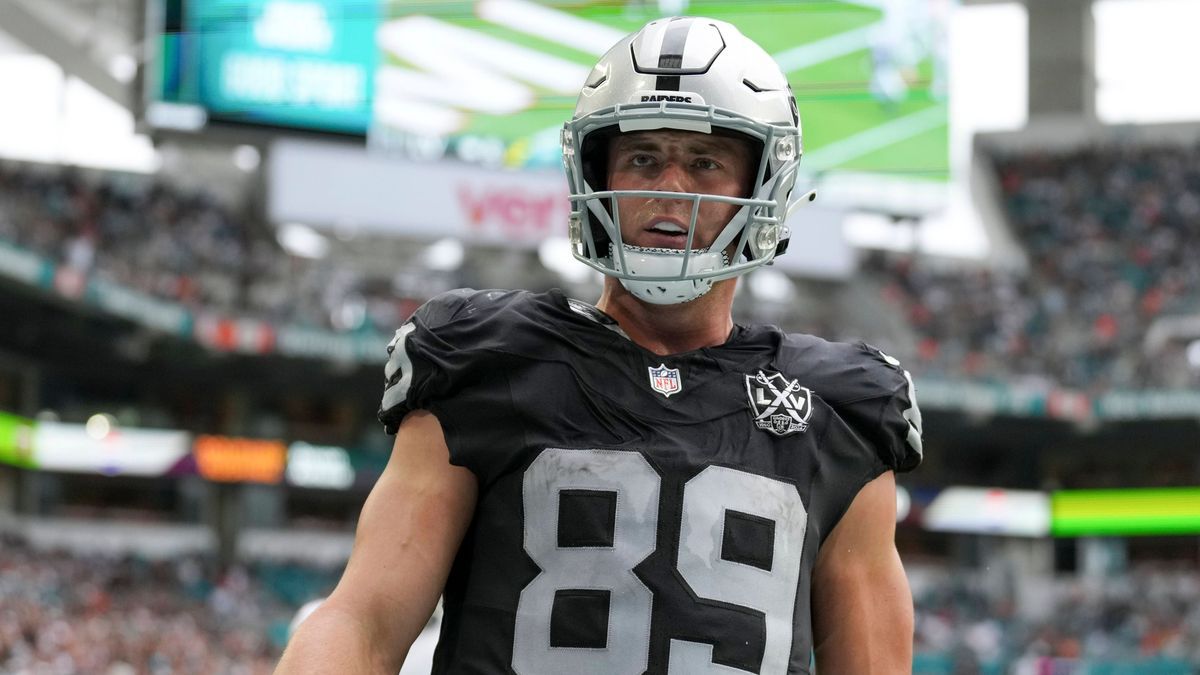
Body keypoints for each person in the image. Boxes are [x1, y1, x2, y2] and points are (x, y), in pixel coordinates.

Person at [276, 15, 923, 675]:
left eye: (705, 162)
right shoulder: (487, 363)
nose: (669, 188)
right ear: (594, 172)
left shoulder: (840, 410)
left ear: (763, 189)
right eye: (644, 157)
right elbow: (363, 621)